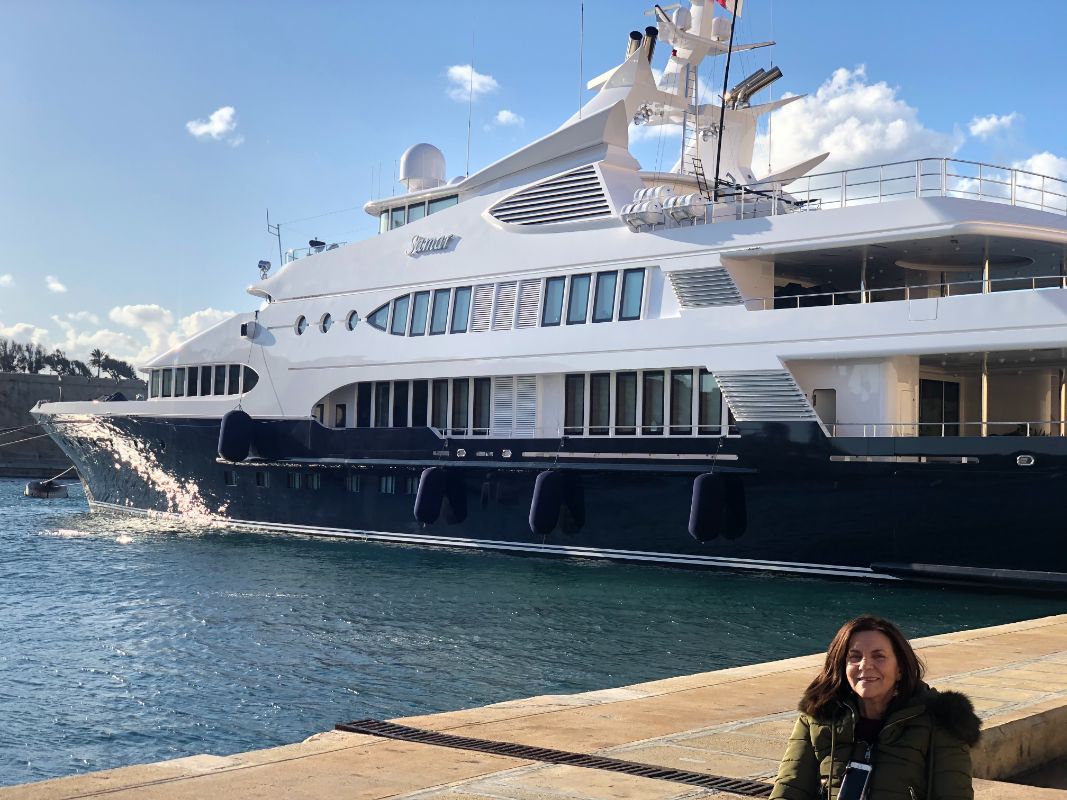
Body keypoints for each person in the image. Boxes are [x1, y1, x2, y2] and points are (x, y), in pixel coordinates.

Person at [771, 615, 981, 800]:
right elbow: (789, 789)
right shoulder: (819, 717)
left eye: (879, 656)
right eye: (855, 657)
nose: (865, 665)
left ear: (899, 669)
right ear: (842, 666)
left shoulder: (941, 722)